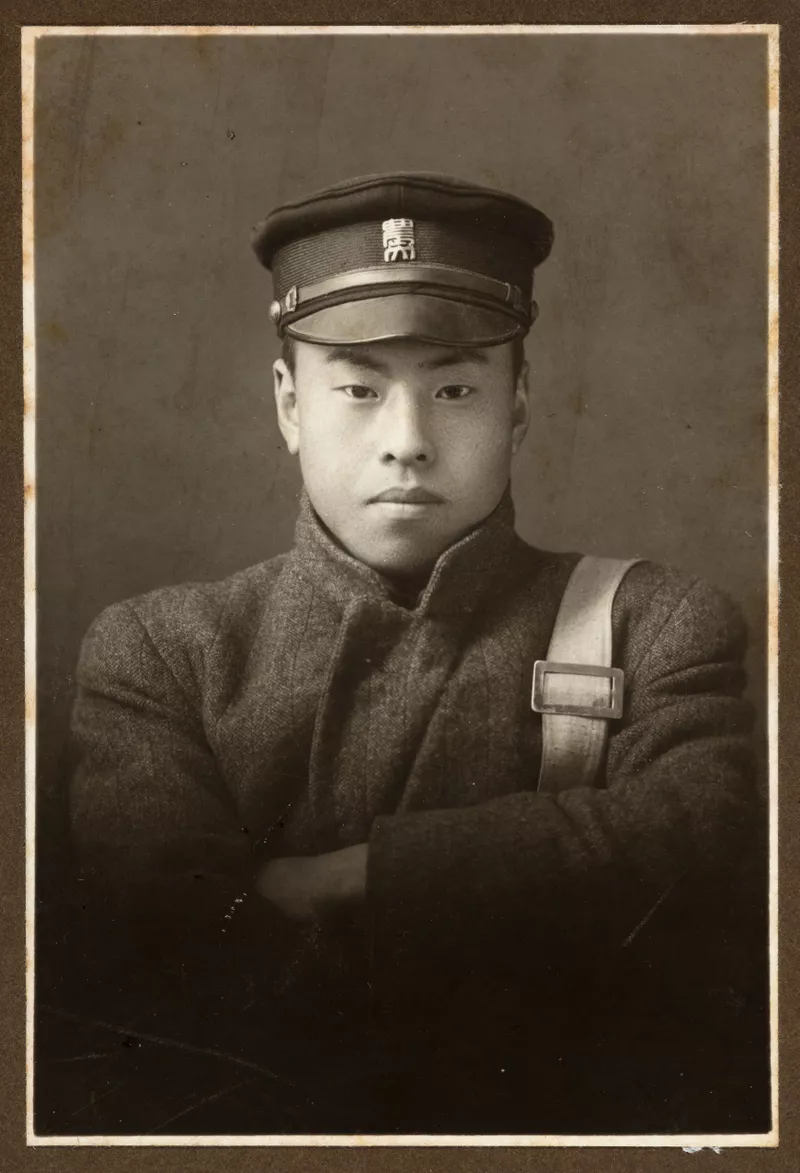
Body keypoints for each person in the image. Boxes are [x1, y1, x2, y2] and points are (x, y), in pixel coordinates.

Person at [51, 173, 768, 1136]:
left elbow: (703, 846)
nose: (408, 442)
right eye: (357, 389)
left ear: (518, 404)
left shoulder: (655, 622)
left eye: (456, 388)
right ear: (289, 405)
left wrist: (351, 877)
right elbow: (166, 961)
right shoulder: (164, 652)